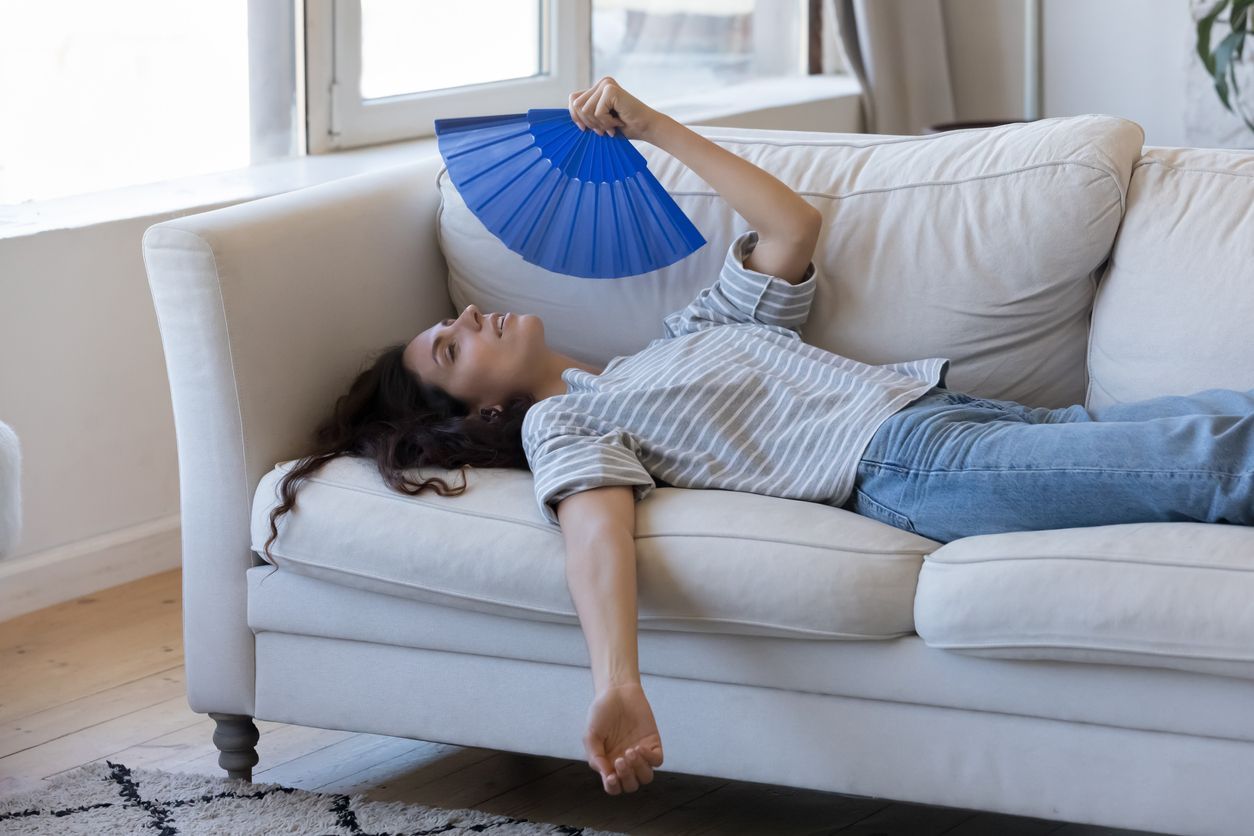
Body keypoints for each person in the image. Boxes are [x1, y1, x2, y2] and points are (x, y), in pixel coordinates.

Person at [260, 77, 1254, 797]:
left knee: (1211, 426)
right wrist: (619, 681)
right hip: (911, 467)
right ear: (477, 413)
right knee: (1214, 458)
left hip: (952, 418)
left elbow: (791, 226)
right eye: (450, 343)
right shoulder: (573, 417)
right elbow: (596, 526)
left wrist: (653, 126)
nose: (470, 317)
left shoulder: (678, 341)